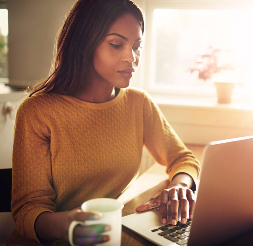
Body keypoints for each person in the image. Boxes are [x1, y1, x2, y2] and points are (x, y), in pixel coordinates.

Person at [9, 0, 200, 245]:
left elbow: (183, 159)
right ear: (84, 45)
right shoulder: (37, 112)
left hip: (109, 235)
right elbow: (27, 211)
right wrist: (68, 225)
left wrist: (180, 186)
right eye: (116, 44)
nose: (132, 58)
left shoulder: (138, 103)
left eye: (137, 46)